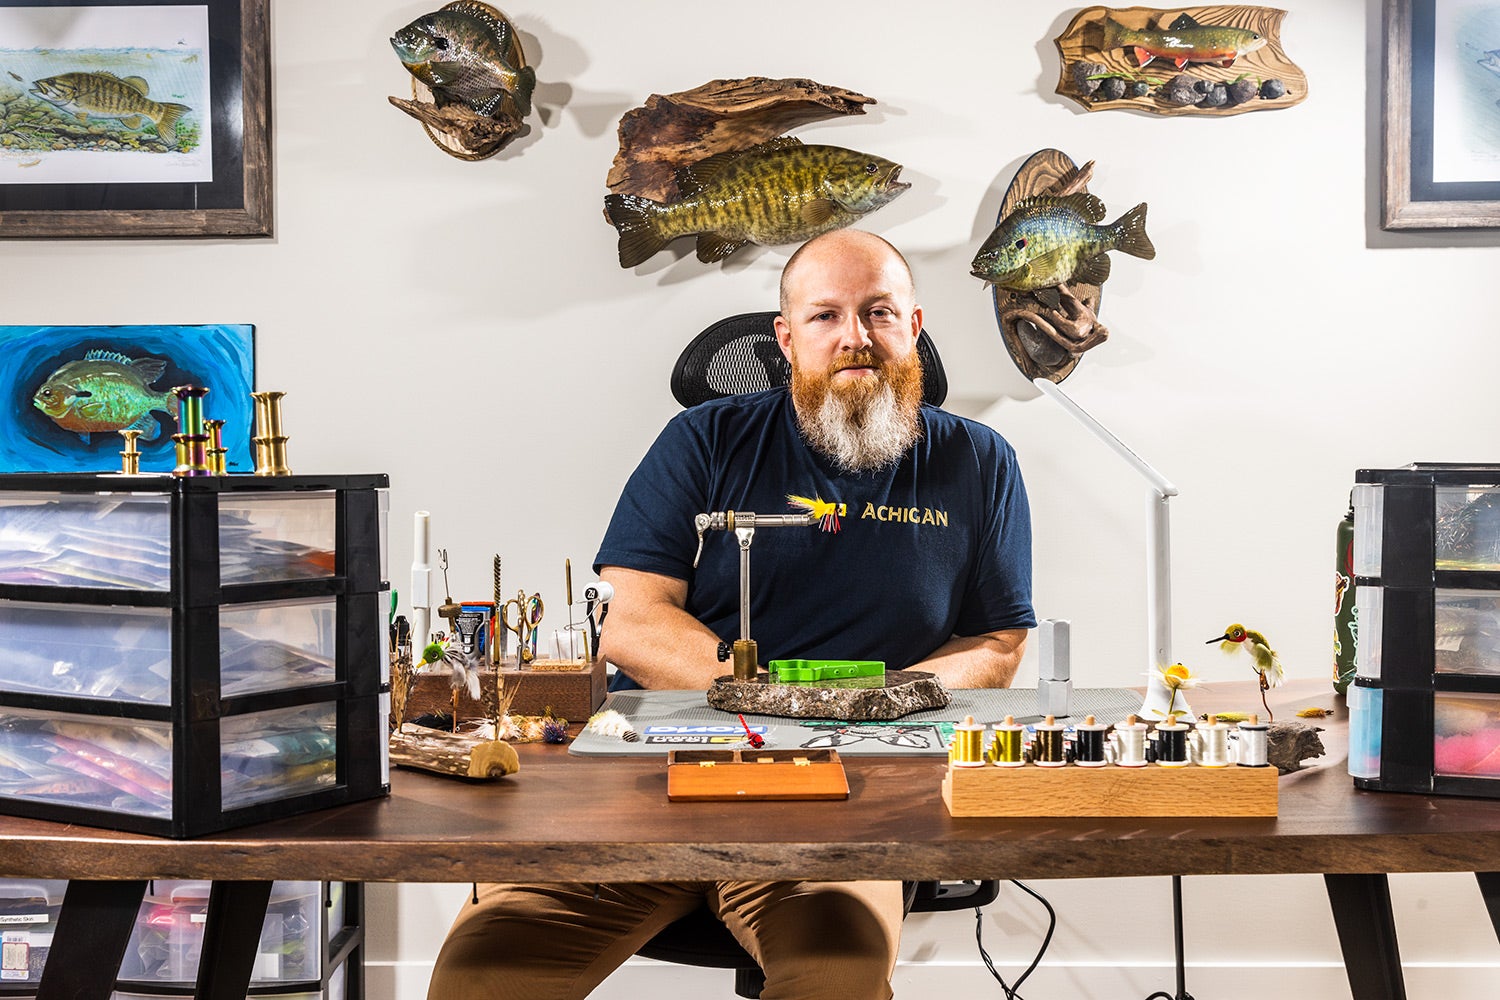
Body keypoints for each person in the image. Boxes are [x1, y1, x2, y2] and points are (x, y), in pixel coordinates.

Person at [427, 229, 1035, 1000]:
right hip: (646, 793)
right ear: (785, 338)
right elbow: (630, 620)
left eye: (879, 312)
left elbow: (997, 645)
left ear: (913, 328)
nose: (855, 337)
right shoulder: (703, 440)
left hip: (845, 812)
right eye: (825, 316)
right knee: (479, 977)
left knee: (838, 982)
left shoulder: (979, 461)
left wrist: (871, 708)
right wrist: (781, 701)